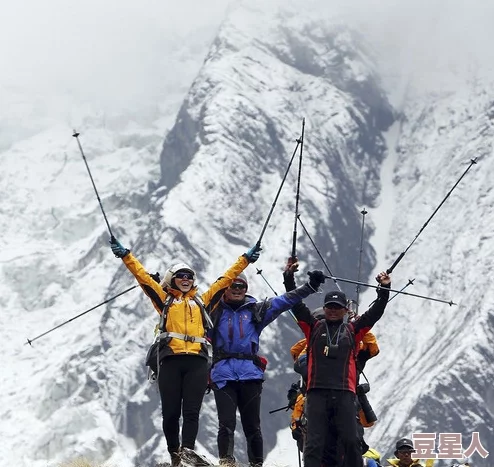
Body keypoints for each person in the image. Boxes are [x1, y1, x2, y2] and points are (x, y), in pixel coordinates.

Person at [109, 236, 262, 466]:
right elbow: (142, 278)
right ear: (173, 279)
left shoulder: (203, 301)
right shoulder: (164, 301)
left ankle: (187, 450)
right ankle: (174, 453)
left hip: (198, 361)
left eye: (190, 276)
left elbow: (226, 279)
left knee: (191, 411)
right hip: (170, 359)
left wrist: (245, 260)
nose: (186, 279)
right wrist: (126, 255)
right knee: (170, 413)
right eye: (181, 276)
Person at [208, 269, 326, 466]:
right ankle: (226, 461)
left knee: (252, 425)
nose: (237, 289)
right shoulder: (212, 311)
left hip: (250, 375)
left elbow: (285, 301)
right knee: (226, 424)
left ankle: (257, 464)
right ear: (224, 288)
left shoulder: (256, 311)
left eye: (241, 286)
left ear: (246, 289)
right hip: (223, 375)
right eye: (233, 285)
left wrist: (310, 287)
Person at [286, 260, 391, 467]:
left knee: (352, 441)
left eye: (338, 307)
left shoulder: (353, 330)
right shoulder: (313, 327)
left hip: (345, 393)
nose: (333, 310)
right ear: (324, 308)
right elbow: (295, 303)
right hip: (316, 393)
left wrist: (384, 289)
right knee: (314, 443)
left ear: (345, 310)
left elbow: (375, 313)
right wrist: (288, 278)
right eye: (330, 306)